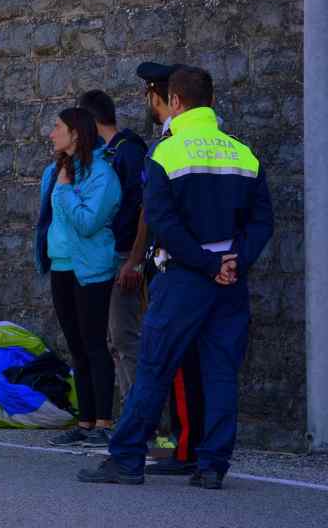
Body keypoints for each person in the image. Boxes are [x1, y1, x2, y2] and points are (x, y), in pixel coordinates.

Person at [79, 66, 273, 489]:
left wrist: (205, 264)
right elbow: (262, 221)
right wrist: (233, 261)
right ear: (212, 101)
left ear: (177, 101)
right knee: (221, 371)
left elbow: (163, 222)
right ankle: (212, 466)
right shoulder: (243, 152)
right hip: (230, 280)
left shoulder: (166, 153)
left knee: (154, 366)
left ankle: (127, 459)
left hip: (185, 277)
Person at [128, 62, 207, 476]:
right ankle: (188, 444)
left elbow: (155, 211)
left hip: (177, 265)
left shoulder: (172, 143)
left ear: (161, 97)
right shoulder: (210, 140)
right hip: (203, 264)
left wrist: (138, 259)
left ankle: (182, 447)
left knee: (174, 362)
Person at [35, 107, 122, 448]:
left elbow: (88, 223)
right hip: (61, 267)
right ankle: (85, 422)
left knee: (95, 345)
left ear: (75, 133)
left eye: (57, 127)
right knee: (76, 347)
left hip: (91, 269)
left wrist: (65, 191)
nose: (51, 133)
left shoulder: (102, 174)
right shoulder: (54, 170)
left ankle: (103, 422)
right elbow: (47, 220)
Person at [77, 90, 149, 402]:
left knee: (124, 338)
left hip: (124, 257)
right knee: (113, 340)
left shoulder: (127, 153)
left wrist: (133, 260)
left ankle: (142, 423)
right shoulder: (108, 155)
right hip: (108, 259)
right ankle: (130, 416)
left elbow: (141, 210)